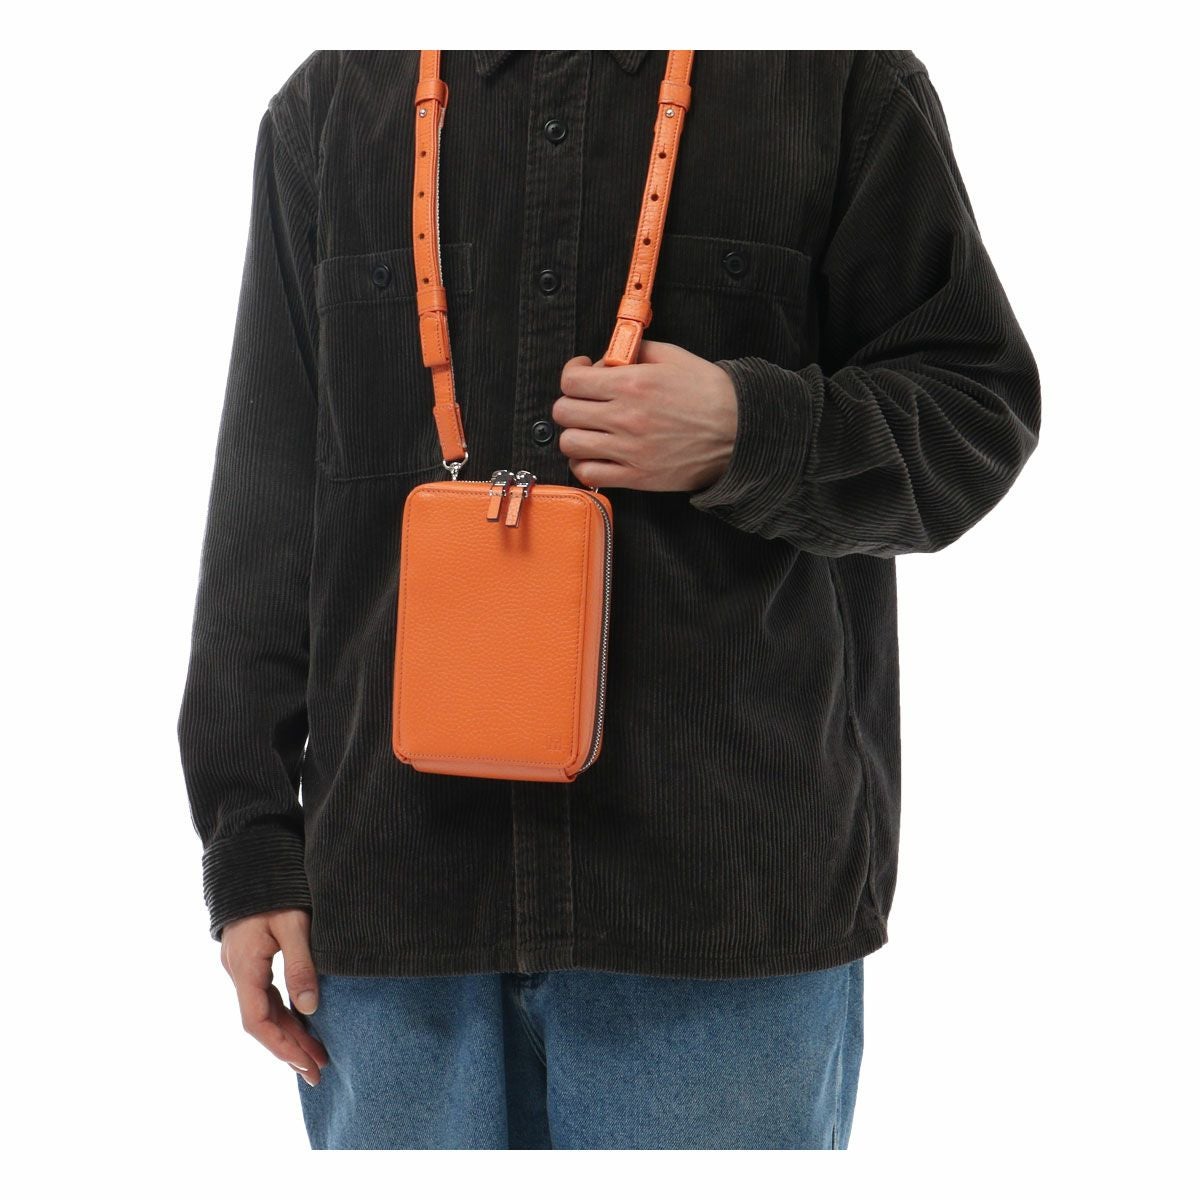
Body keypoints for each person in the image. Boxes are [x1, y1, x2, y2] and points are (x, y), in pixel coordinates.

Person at [178, 50, 1040, 1150]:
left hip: (720, 919)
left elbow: (976, 414)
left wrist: (748, 429)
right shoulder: (333, 102)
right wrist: (248, 848)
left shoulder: (833, 79)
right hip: (394, 926)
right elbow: (263, 507)